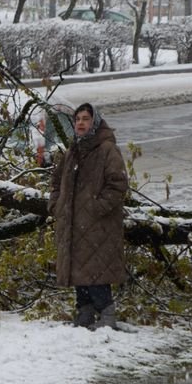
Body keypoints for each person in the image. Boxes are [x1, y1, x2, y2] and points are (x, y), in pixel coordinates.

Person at [49, 102, 129, 330]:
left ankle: (107, 316)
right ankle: (84, 313)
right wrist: (56, 205)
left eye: (85, 118)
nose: (81, 123)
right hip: (74, 223)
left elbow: (118, 184)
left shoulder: (106, 149)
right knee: (79, 269)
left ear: (94, 122)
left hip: (98, 226)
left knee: (96, 271)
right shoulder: (73, 150)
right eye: (78, 119)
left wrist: (96, 208)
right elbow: (56, 182)